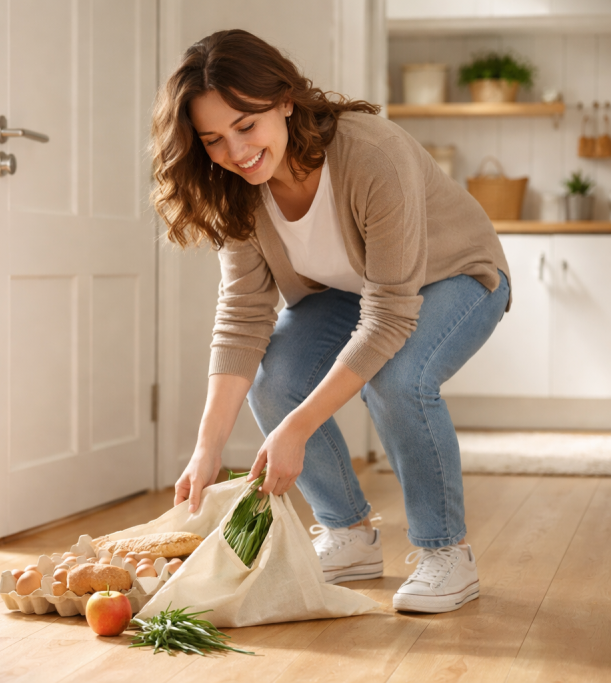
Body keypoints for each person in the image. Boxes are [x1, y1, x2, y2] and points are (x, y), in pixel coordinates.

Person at [151, 30, 510, 614]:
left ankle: (446, 552)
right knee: (274, 380)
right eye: (213, 140)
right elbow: (243, 317)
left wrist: (296, 430)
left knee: (397, 380)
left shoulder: (372, 155)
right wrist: (205, 447)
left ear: (285, 100)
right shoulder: (235, 189)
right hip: (354, 290)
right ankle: (348, 534)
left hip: (456, 276)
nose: (236, 152)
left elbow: (391, 315)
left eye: (246, 126)